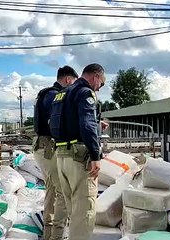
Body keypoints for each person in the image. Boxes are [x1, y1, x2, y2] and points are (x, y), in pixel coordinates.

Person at [49, 63, 106, 240]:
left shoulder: (62, 93)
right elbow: (87, 124)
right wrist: (95, 155)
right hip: (79, 159)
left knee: (73, 210)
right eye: (101, 84)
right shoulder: (85, 93)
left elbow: (56, 124)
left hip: (62, 157)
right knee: (84, 214)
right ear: (96, 76)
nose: (99, 88)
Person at [33, 65, 78, 240]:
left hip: (42, 148)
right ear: (68, 80)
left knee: (52, 190)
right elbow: (59, 121)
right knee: (63, 192)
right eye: (73, 82)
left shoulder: (46, 93)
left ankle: (48, 234)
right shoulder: (55, 96)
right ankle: (57, 236)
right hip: (49, 149)